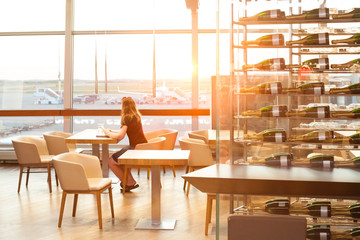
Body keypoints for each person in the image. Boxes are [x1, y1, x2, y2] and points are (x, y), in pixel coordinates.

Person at [102, 97, 147, 192]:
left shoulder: (126, 118)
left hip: (135, 148)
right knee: (120, 160)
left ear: (124, 107)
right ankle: (129, 181)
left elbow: (120, 135)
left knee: (111, 161)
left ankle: (128, 182)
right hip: (143, 146)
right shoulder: (136, 116)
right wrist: (111, 131)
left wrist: (107, 133)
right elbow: (124, 131)